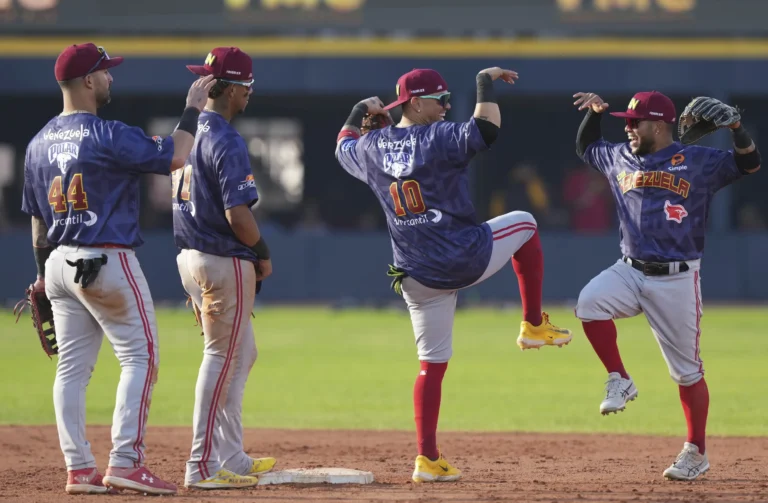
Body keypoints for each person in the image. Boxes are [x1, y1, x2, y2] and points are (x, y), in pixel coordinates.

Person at [335, 67, 573, 483]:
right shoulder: (438, 137)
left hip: (416, 275)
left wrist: (358, 113)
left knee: (431, 365)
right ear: (415, 102)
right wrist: (483, 81)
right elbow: (486, 129)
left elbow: (343, 147)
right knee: (526, 223)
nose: (447, 106)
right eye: (440, 99)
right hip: (463, 257)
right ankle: (533, 323)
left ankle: (427, 459)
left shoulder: (372, 147)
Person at [21, 42, 214, 494]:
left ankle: (79, 469)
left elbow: (36, 223)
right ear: (88, 81)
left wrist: (40, 275)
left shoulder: (37, 142)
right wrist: (191, 109)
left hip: (58, 263)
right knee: (141, 357)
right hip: (106, 258)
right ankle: (126, 460)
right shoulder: (105, 133)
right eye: (105, 72)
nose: (110, 78)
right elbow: (176, 156)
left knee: (70, 369)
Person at [572, 90, 761, 481]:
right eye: (624, 121)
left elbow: (751, 164)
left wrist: (737, 128)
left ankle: (696, 451)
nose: (627, 128)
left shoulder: (698, 161)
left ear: (658, 125)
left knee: (687, 373)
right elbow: (586, 146)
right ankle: (619, 378)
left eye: (633, 122)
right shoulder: (619, 156)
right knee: (589, 302)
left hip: (676, 278)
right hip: (629, 269)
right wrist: (594, 113)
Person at [174, 47, 276, 490]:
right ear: (232, 89)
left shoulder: (189, 131)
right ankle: (201, 466)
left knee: (242, 353)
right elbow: (239, 217)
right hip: (221, 258)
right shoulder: (226, 138)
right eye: (247, 86)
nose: (250, 93)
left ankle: (230, 454)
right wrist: (265, 252)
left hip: (190, 256)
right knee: (219, 357)